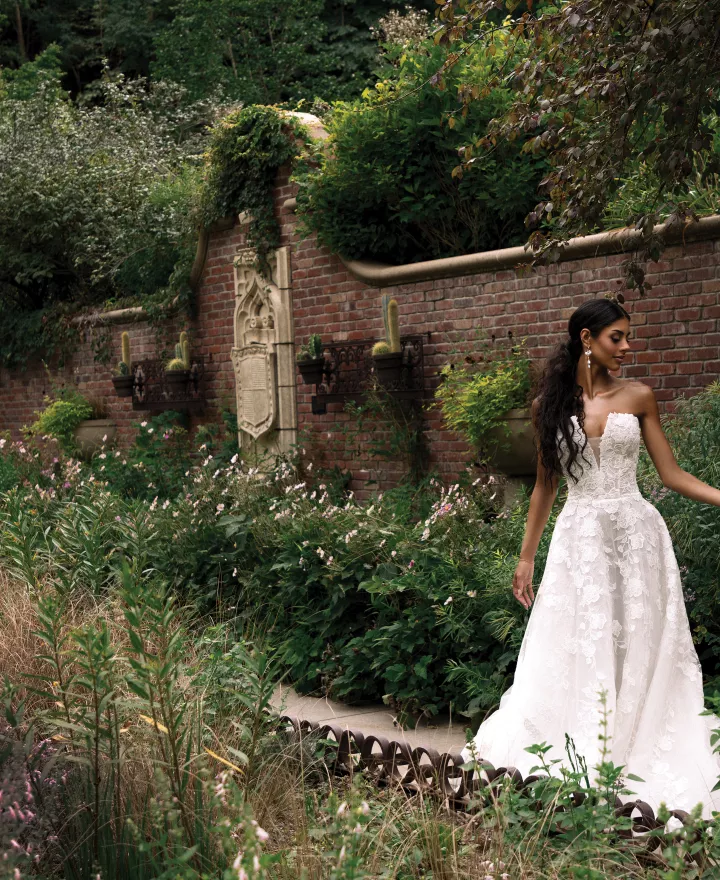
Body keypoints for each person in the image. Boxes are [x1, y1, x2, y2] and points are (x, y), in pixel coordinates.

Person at [461, 297, 720, 819]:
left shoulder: (640, 396)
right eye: (616, 337)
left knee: (640, 639)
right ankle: (586, 750)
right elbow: (543, 488)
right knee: (582, 638)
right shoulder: (548, 408)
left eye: (627, 336)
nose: (627, 346)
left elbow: (671, 475)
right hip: (579, 542)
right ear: (586, 339)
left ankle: (636, 741)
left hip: (637, 535)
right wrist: (525, 557)